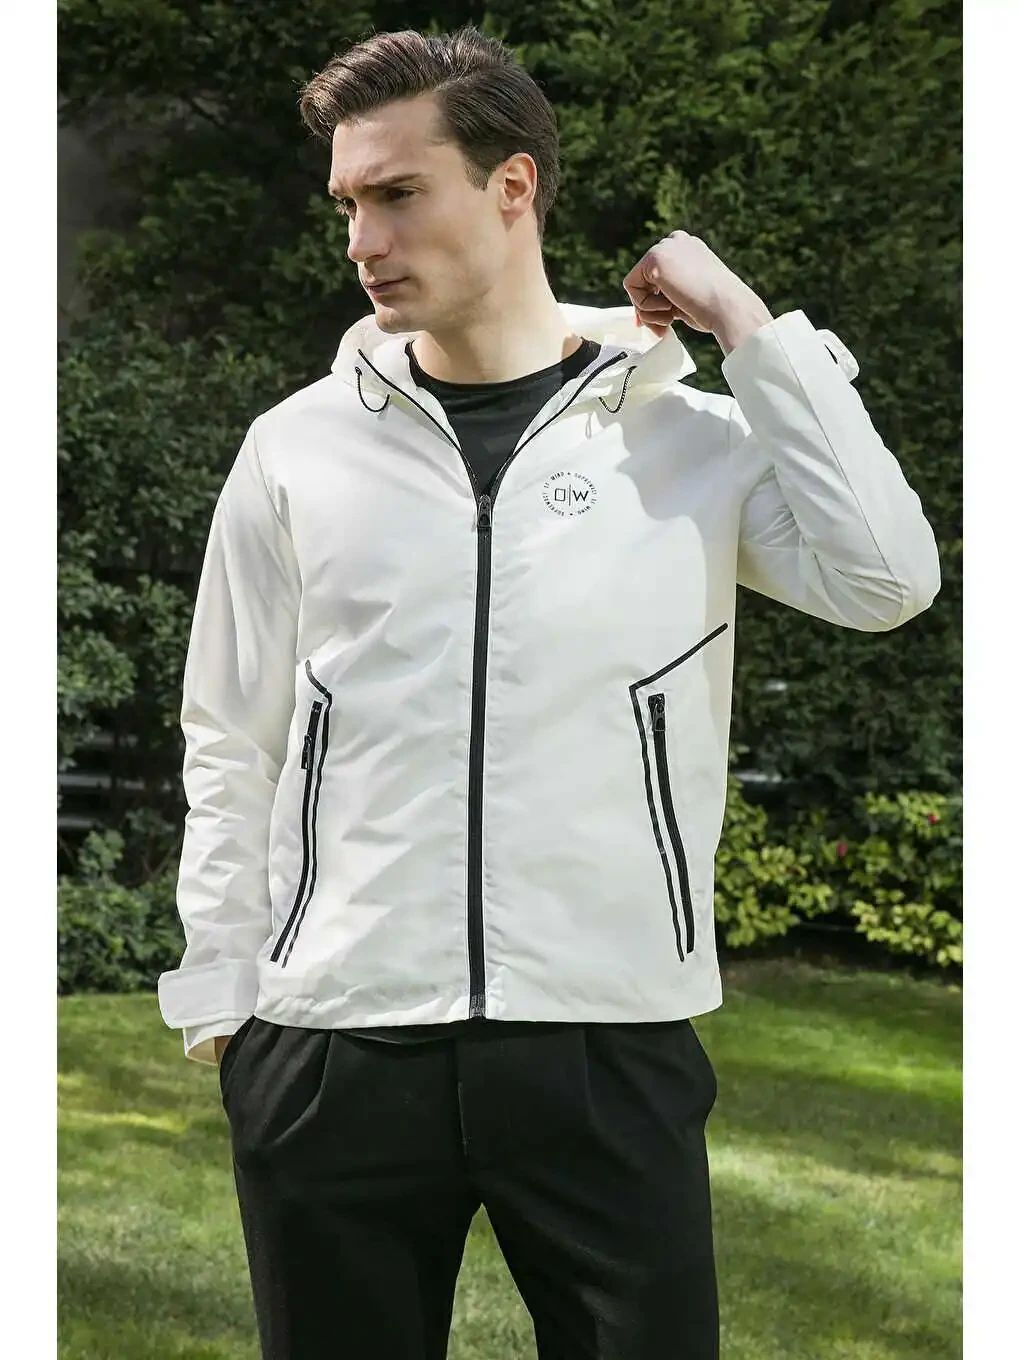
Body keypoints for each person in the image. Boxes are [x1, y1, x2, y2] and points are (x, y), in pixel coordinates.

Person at [156, 24, 941, 1360]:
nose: (363, 240)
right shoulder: (296, 449)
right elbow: (232, 736)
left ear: (512, 186)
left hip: (606, 1037)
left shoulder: (691, 441)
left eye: (399, 193)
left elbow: (887, 577)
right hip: (335, 1046)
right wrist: (228, 1011)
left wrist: (753, 332)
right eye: (348, 203)